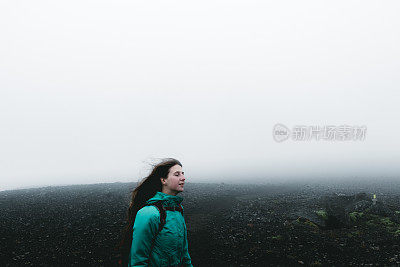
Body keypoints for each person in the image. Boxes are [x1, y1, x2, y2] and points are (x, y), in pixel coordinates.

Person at [117, 158, 193, 266]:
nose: (183, 178)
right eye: (177, 174)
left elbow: (184, 255)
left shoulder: (178, 210)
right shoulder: (149, 213)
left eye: (182, 174)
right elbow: (138, 260)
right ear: (163, 180)